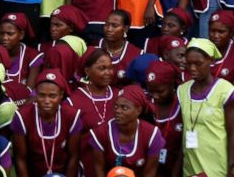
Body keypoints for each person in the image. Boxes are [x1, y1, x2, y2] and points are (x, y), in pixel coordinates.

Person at [177, 38, 234, 177]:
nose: (192, 68)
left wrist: (232, 166)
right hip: (190, 167)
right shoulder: (182, 90)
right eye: (189, 63)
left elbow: (233, 132)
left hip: (217, 166)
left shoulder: (225, 90)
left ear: (211, 61)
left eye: (198, 64)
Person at [10, 69, 80, 176]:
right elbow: (20, 159)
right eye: (42, 95)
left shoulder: (71, 116)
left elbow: (73, 156)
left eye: (52, 96)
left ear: (61, 95)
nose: (47, 101)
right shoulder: (22, 116)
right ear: (36, 94)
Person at [89, 85, 164, 177]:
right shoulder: (101, 133)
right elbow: (99, 170)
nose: (118, 111)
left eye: (124, 108)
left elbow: (149, 173)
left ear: (138, 110)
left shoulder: (152, 135)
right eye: (116, 106)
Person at [144, 60, 183, 176]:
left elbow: (183, 148)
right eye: (151, 91)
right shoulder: (144, 105)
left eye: (160, 91)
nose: (155, 96)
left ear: (171, 84)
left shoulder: (182, 106)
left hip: (175, 169)